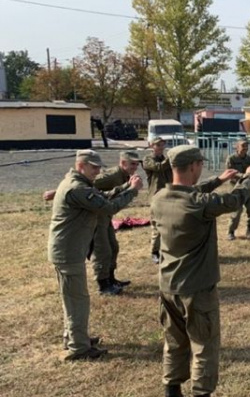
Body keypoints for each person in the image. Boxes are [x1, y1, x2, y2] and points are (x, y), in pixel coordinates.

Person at [151, 145, 250, 397]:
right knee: (204, 346)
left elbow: (192, 193)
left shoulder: (159, 199)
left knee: (173, 343)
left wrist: (219, 179)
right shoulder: (199, 204)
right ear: (195, 166)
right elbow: (234, 201)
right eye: (200, 165)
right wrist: (248, 178)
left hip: (168, 286)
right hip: (196, 288)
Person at [48, 149, 142, 361]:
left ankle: (75, 338)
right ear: (81, 166)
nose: (98, 171)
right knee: (77, 300)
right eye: (94, 167)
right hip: (68, 251)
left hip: (70, 249)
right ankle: (78, 348)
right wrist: (133, 191)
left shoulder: (78, 183)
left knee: (73, 299)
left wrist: (126, 186)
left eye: (99, 167)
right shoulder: (77, 187)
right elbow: (108, 207)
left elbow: (102, 196)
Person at [91, 150, 141, 294]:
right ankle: (103, 285)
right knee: (102, 251)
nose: (135, 167)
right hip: (96, 217)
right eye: (132, 164)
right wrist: (56, 192)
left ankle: (111, 279)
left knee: (113, 247)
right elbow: (82, 185)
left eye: (137, 164)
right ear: (123, 163)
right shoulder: (112, 175)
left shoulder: (125, 175)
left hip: (106, 215)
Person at [143, 137, 173, 264]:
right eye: (158, 145)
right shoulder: (148, 159)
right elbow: (158, 167)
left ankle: (166, 249)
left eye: (162, 145)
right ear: (152, 146)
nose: (161, 147)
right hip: (156, 197)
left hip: (168, 194)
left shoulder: (165, 160)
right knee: (156, 227)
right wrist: (171, 158)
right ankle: (154, 252)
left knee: (169, 224)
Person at [225, 139, 250, 240]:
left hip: (248, 189)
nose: (245, 148)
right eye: (243, 146)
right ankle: (230, 232)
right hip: (236, 188)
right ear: (237, 147)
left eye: (246, 146)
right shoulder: (231, 158)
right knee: (236, 211)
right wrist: (244, 175)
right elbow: (230, 172)